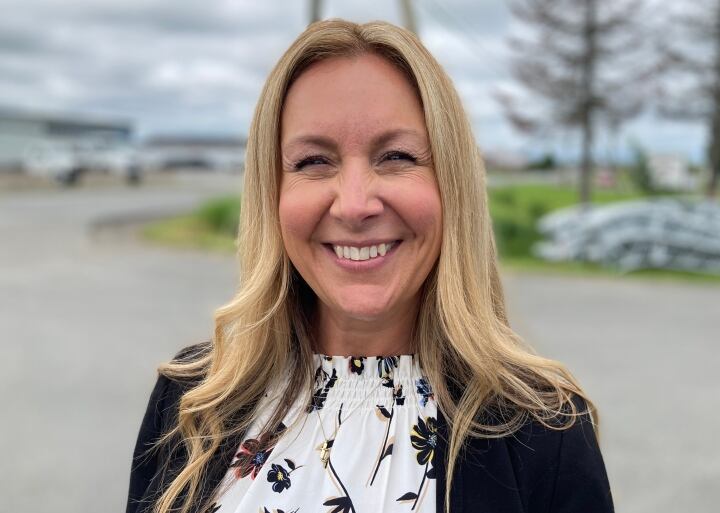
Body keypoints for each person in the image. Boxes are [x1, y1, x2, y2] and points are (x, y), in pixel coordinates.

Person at [126, 19, 614, 513]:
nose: (354, 205)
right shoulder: (191, 404)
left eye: (396, 156)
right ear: (270, 192)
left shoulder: (545, 432)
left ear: (452, 185)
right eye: (314, 161)